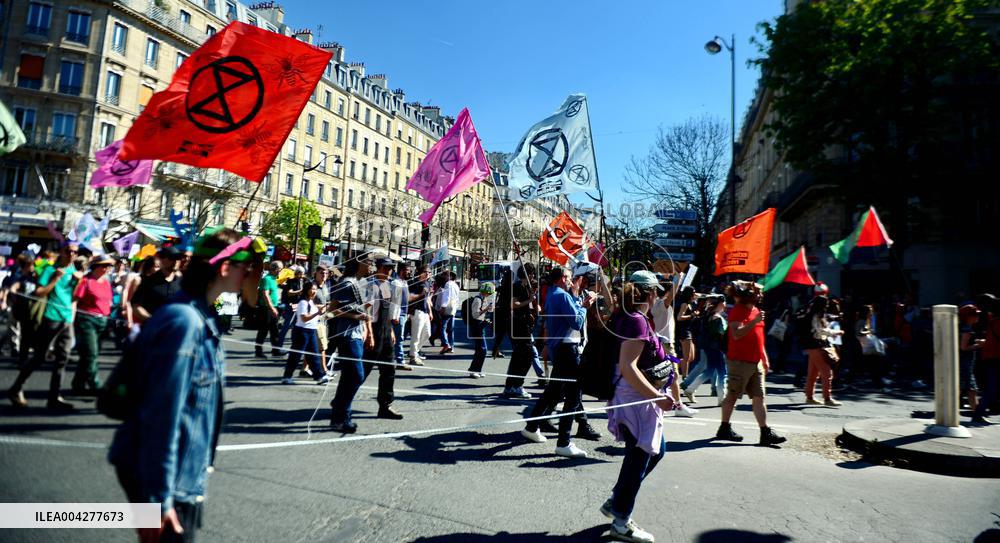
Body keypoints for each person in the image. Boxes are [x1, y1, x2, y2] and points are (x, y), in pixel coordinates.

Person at [109, 227, 257, 543]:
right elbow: (162, 416)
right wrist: (158, 501)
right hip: (166, 480)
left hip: (182, 474)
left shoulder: (204, 318)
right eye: (248, 267)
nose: (251, 276)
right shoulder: (185, 322)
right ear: (226, 267)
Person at [600, 274, 674, 543]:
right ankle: (621, 520)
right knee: (639, 457)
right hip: (637, 400)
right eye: (657, 291)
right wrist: (656, 396)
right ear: (650, 294)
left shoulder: (629, 316)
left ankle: (616, 502)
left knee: (655, 451)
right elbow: (629, 367)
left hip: (634, 398)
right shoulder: (636, 320)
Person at [521, 265, 593, 458]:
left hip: (560, 347)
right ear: (562, 277)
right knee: (573, 395)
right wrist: (585, 306)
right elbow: (576, 322)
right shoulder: (561, 295)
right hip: (568, 348)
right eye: (569, 276)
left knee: (552, 391)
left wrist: (578, 302)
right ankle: (564, 442)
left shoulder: (554, 294)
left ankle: (532, 425)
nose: (571, 280)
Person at [8, 243, 81, 411]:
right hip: (50, 318)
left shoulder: (74, 272)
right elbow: (39, 292)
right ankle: (16, 388)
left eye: (74, 252)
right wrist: (55, 278)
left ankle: (54, 397)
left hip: (67, 319)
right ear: (61, 252)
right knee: (39, 356)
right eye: (68, 251)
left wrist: (77, 283)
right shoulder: (49, 270)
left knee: (63, 358)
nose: (71, 254)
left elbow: (73, 297)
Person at [714, 280, 786, 446]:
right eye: (757, 292)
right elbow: (737, 334)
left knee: (759, 397)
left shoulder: (756, 311)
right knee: (732, 395)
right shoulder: (738, 311)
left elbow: (759, 338)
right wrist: (753, 322)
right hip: (739, 361)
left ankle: (765, 432)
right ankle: (724, 428)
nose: (760, 295)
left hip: (755, 361)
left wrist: (764, 358)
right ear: (748, 295)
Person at [328, 254, 375, 433]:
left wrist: (364, 323)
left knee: (349, 376)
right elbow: (332, 310)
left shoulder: (358, 283)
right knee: (356, 375)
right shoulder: (347, 283)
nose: (372, 265)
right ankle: (342, 412)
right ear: (359, 263)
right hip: (347, 335)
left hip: (355, 334)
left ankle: (339, 415)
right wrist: (358, 316)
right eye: (369, 261)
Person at [360, 257, 407, 418]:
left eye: (390, 269)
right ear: (378, 268)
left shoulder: (387, 286)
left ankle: (385, 405)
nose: (389, 272)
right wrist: (370, 335)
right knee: (361, 371)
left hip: (386, 331)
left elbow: (386, 310)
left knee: (389, 369)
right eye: (385, 268)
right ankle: (342, 402)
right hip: (372, 329)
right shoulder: (370, 285)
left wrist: (391, 331)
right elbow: (365, 311)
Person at [71, 254, 115, 394]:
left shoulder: (106, 282)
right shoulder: (85, 280)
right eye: (105, 265)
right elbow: (75, 301)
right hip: (87, 320)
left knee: (88, 355)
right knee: (91, 354)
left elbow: (108, 302)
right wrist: (71, 321)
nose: (108, 268)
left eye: (109, 266)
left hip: (103, 321)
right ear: (96, 266)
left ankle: (78, 384)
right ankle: (95, 384)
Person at [502, 262, 541, 400]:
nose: (533, 276)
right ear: (529, 274)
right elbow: (513, 304)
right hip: (518, 327)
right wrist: (529, 300)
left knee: (518, 357)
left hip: (524, 326)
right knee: (528, 355)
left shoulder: (525, 287)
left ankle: (511, 386)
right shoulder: (517, 286)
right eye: (532, 274)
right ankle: (517, 385)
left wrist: (532, 303)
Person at [682, 296, 728, 406]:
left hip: (708, 347)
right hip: (718, 348)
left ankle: (690, 389)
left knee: (709, 371)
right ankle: (722, 398)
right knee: (722, 373)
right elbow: (722, 334)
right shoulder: (718, 318)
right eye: (724, 302)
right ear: (721, 304)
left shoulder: (709, 316)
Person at [281, 281, 329, 385]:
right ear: (306, 290)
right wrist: (317, 312)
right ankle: (287, 377)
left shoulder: (310, 302)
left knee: (313, 355)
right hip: (302, 331)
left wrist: (320, 309)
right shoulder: (303, 302)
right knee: (296, 355)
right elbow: (304, 318)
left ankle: (319, 377)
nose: (314, 291)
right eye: (312, 289)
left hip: (311, 331)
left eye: (315, 289)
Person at [804, 296, 844, 406]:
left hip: (812, 346)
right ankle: (827, 399)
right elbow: (820, 331)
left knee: (813, 373)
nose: (827, 306)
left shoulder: (812, 314)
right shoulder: (817, 316)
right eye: (825, 304)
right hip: (818, 346)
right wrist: (835, 332)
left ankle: (809, 397)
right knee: (826, 372)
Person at [972, 295, 999, 425]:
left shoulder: (992, 320)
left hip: (990, 356)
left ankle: (980, 412)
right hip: (996, 357)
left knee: (992, 387)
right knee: (992, 388)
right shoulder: (997, 322)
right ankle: (978, 413)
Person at [254, 261, 283, 358]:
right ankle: (258, 351)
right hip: (266, 309)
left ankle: (276, 350)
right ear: (275, 269)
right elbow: (265, 295)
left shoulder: (274, 279)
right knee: (263, 330)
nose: (281, 271)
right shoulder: (266, 279)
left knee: (274, 330)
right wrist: (272, 308)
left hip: (273, 307)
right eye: (280, 269)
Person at [466, 282, 495, 378]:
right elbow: (475, 315)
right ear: (486, 292)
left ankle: (477, 369)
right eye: (489, 292)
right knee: (482, 349)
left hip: (480, 326)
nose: (490, 295)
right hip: (476, 327)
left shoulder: (483, 299)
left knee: (480, 349)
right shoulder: (477, 300)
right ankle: (474, 370)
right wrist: (486, 309)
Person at [407, 265, 432, 366]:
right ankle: (413, 356)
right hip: (417, 311)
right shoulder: (414, 283)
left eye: (429, 272)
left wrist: (430, 312)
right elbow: (409, 297)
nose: (427, 274)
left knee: (427, 333)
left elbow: (428, 299)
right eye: (425, 272)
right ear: (420, 272)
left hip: (425, 311)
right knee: (416, 335)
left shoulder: (427, 282)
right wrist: (420, 294)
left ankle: (414, 352)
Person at [959, 304, 982, 412]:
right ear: (967, 316)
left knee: (960, 388)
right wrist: (980, 345)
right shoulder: (967, 329)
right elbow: (963, 347)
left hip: (962, 363)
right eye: (974, 314)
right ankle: (977, 415)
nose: (977, 316)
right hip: (965, 364)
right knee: (972, 389)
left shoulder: (962, 327)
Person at [277, 265, 306, 349]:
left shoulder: (303, 281)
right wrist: (299, 292)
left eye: (303, 273)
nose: (301, 275)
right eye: (300, 273)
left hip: (299, 306)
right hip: (291, 306)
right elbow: (289, 293)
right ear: (296, 273)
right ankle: (279, 346)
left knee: (297, 327)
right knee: (286, 326)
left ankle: (295, 346)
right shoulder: (291, 281)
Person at [311, 267, 332, 376]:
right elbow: (306, 302)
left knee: (313, 347)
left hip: (323, 320)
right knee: (322, 347)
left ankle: (304, 369)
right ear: (316, 274)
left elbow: (328, 301)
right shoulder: (312, 286)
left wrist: (328, 309)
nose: (324, 275)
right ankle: (324, 370)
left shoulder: (325, 287)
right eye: (321, 273)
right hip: (313, 321)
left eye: (325, 273)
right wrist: (318, 307)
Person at [436, 271, 460, 354]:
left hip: (447, 307)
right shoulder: (456, 285)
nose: (444, 277)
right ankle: (451, 346)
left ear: (450, 277)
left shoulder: (448, 284)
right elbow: (457, 298)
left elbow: (447, 296)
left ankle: (446, 344)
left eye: (445, 275)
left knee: (442, 327)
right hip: (453, 308)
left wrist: (443, 307)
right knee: (450, 329)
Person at [392, 262, 411, 368]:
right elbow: (395, 301)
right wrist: (395, 316)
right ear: (401, 270)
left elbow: (405, 300)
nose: (410, 272)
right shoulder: (396, 283)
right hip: (399, 315)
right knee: (399, 338)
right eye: (408, 270)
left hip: (403, 314)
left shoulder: (404, 283)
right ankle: (400, 361)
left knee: (397, 338)